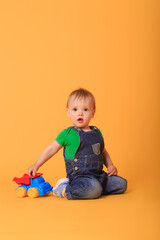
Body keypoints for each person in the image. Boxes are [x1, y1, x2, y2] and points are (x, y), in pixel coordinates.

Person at [28, 88, 127, 199]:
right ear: (68, 113)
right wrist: (36, 164)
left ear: (92, 113)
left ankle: (94, 190)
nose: (80, 113)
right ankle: (64, 189)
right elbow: (51, 149)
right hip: (80, 177)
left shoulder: (96, 132)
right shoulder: (68, 134)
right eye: (75, 109)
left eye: (85, 109)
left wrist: (110, 165)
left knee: (121, 184)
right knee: (94, 188)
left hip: (99, 175)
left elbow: (103, 152)